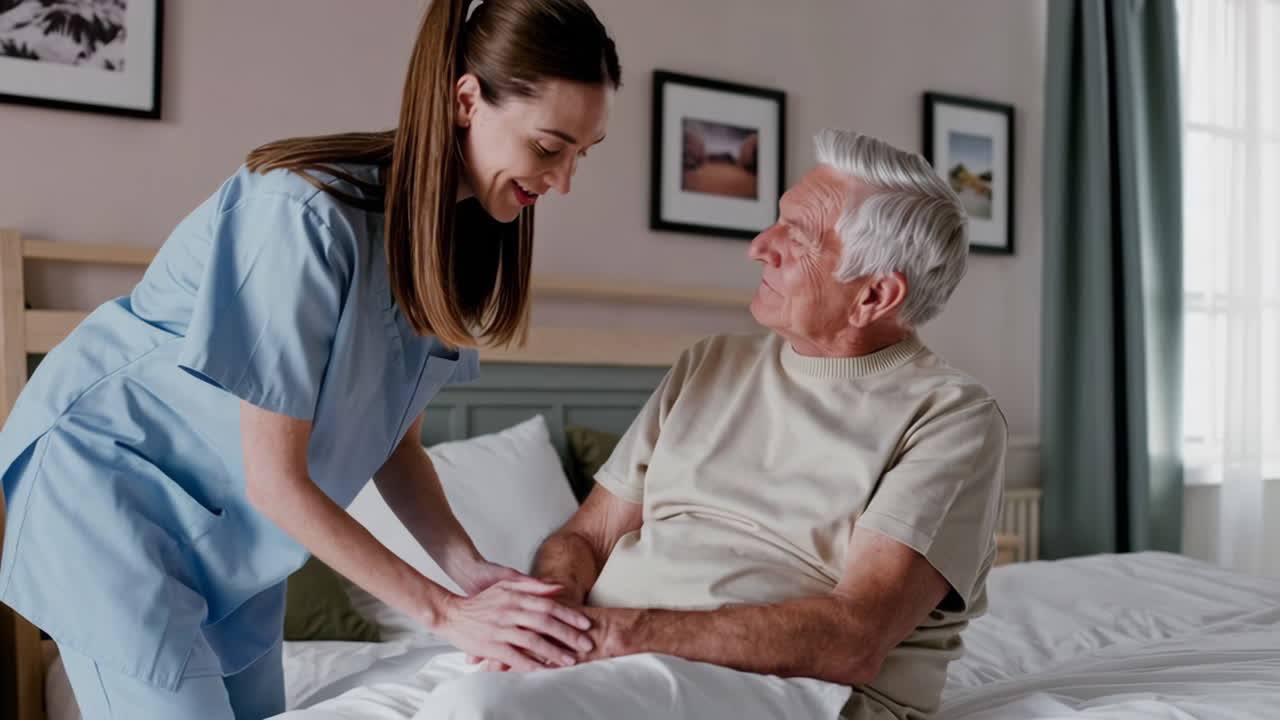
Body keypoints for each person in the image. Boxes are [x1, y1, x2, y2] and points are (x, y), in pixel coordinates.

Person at [0, 1, 620, 718]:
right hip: (105, 496)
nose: (562, 181)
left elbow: (399, 451)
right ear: (465, 100)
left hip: (237, 544)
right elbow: (276, 481)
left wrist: (470, 570)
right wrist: (445, 614)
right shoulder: (302, 214)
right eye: (548, 147)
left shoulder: (447, 248)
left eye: (582, 154)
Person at [387, 129, 1007, 720]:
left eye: (798, 236)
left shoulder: (950, 417)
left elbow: (854, 637)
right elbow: (587, 539)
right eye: (778, 219)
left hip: (796, 690)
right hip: (607, 657)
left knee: (478, 710)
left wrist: (609, 635)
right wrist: (550, 618)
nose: (760, 245)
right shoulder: (712, 363)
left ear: (875, 296)